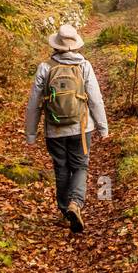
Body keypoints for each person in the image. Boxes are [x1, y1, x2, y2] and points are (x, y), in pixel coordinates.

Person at [24, 23, 109, 233]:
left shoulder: (45, 67)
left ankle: (64, 211)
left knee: (61, 168)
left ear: (57, 44)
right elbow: (96, 99)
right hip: (82, 128)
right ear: (75, 45)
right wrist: (103, 127)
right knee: (80, 166)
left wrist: (31, 133)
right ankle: (76, 203)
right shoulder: (84, 66)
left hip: (54, 129)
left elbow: (34, 103)